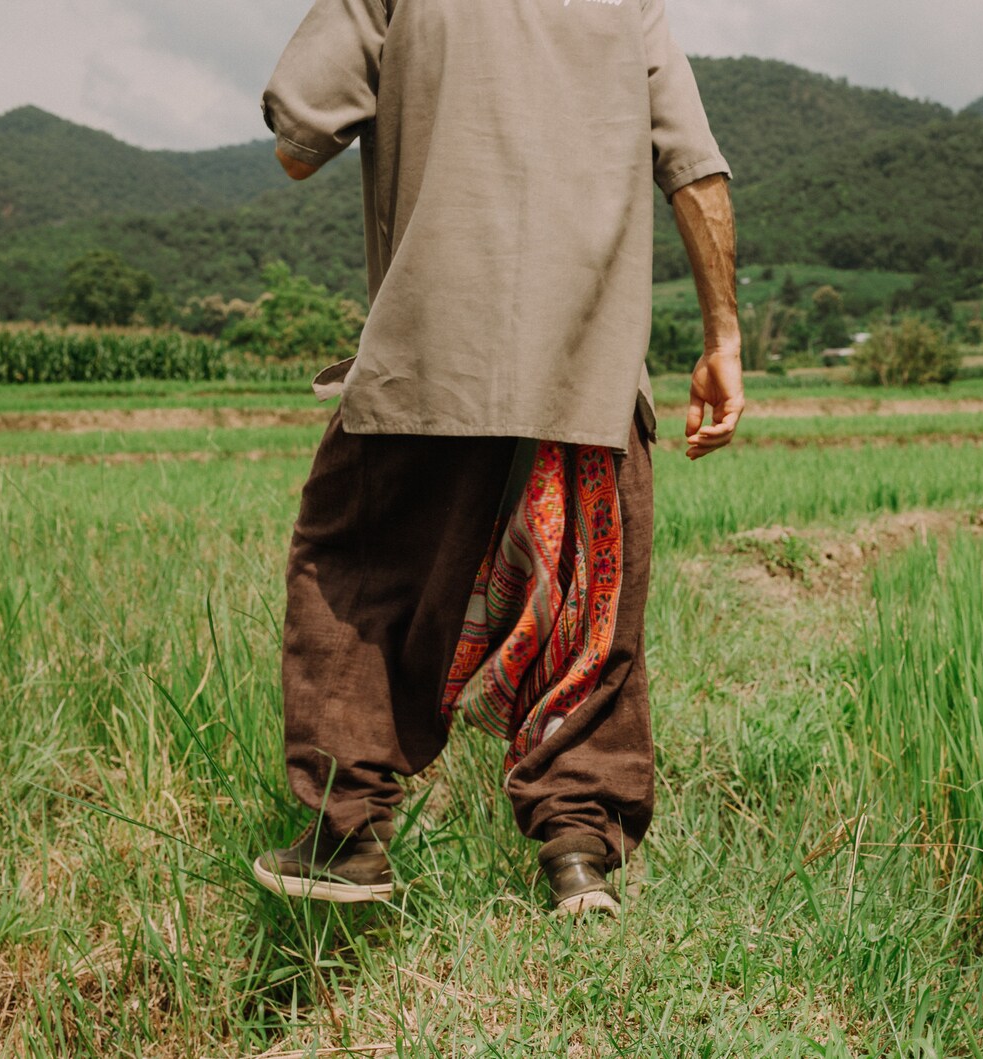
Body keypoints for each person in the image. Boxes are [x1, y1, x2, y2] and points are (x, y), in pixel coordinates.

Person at [249, 0, 744, 916]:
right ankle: (579, 859)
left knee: (356, 572)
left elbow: (297, 141)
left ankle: (348, 836)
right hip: (591, 366)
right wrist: (723, 336)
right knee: (590, 613)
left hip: (435, 349)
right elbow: (694, 166)